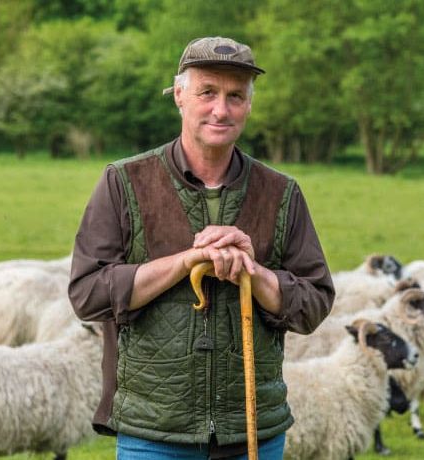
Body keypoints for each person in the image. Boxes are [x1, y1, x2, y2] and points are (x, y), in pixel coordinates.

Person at [68, 36, 334, 459]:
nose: (221, 109)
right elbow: (88, 295)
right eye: (207, 92)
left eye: (235, 96)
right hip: (153, 432)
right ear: (178, 95)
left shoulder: (280, 192)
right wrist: (186, 261)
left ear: (249, 103)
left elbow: (315, 302)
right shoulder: (124, 181)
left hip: (252, 430)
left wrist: (255, 272)